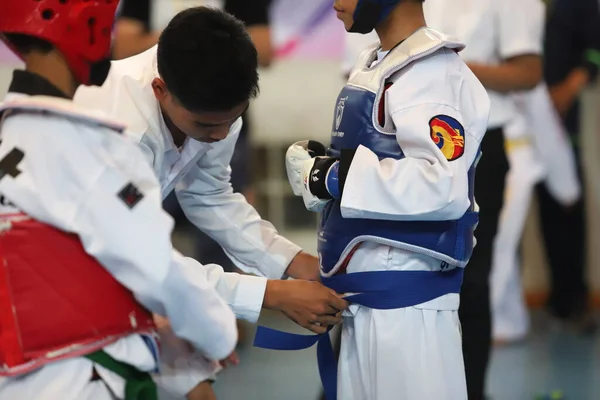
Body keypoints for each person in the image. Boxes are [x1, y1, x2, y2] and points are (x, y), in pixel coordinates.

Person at [74, 7, 348, 398]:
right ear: (159, 89)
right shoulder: (120, 134)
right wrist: (271, 294)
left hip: (109, 272)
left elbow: (209, 195)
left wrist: (294, 263)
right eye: (206, 125)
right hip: (53, 282)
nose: (219, 137)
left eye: (231, 121)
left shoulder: (209, 101)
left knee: (198, 385)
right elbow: (139, 262)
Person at [0, 0, 239, 399]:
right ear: (88, 27)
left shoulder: (11, 135)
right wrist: (217, 332)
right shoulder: (83, 147)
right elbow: (155, 264)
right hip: (78, 376)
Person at [281, 0, 490, 398]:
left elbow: (443, 186)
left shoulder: (430, 72)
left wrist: (335, 177)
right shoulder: (380, 64)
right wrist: (327, 168)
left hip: (409, 316)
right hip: (368, 309)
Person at [424, 0, 544, 398]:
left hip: (479, 144)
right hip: (409, 140)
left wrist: (443, 68)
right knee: (387, 267)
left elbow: (528, 72)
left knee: (471, 277)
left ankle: (471, 390)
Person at [540, 0, 600, 332]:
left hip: (563, 120)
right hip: (517, 115)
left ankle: (572, 298)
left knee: (566, 205)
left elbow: (594, 50)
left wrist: (567, 89)